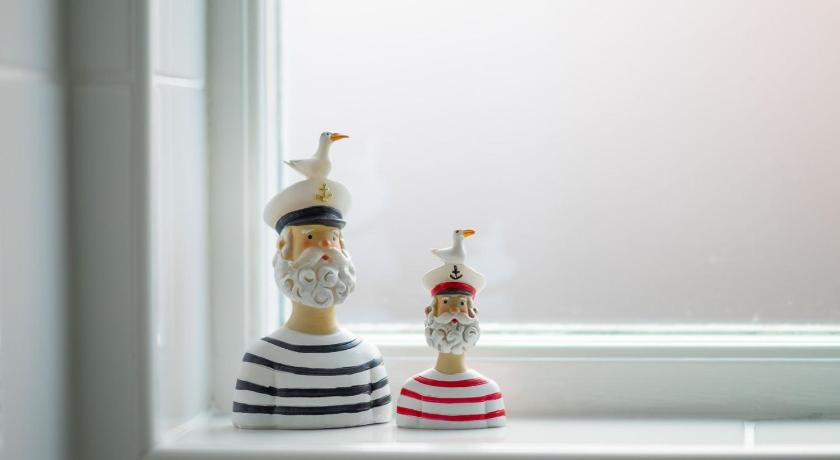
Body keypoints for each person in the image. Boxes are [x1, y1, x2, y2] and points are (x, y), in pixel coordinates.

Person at [232, 133, 392, 429]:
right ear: (284, 251)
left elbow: (380, 427)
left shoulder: (367, 358)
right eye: (310, 237)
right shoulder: (263, 359)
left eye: (333, 237)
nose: (326, 246)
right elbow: (250, 432)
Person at [396, 230, 506, 429]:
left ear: (473, 313)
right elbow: (405, 434)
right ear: (430, 313)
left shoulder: (488, 392)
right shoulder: (414, 391)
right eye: (446, 302)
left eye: (461, 303)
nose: (454, 310)